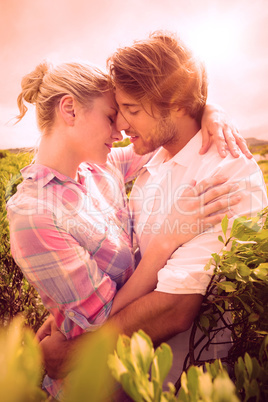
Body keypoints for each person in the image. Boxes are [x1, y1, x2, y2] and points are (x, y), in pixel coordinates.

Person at [36, 31, 268, 399]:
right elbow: (136, 265)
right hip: (127, 374)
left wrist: (74, 355)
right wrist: (69, 315)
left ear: (175, 103)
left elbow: (175, 308)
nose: (121, 126)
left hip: (180, 383)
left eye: (131, 109)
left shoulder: (227, 173)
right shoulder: (153, 159)